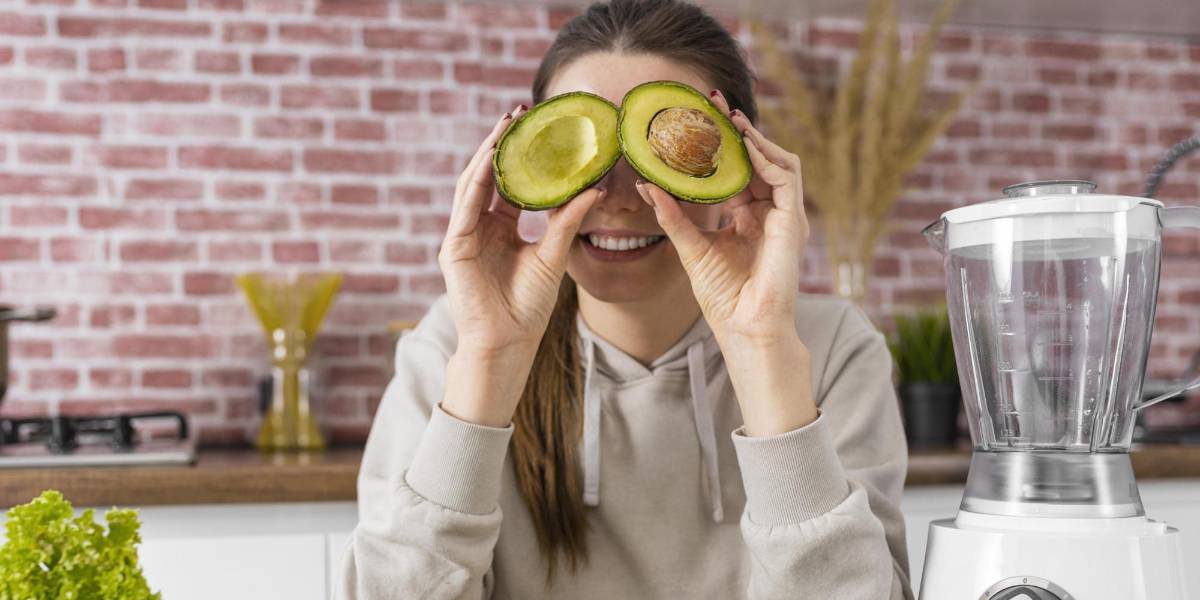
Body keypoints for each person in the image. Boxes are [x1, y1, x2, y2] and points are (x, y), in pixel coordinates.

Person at [339, 0, 911, 597]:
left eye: (658, 156)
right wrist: (490, 360)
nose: (619, 198)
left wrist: (763, 348)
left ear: (741, 164)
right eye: (583, 157)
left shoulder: (832, 349)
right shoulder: (454, 345)